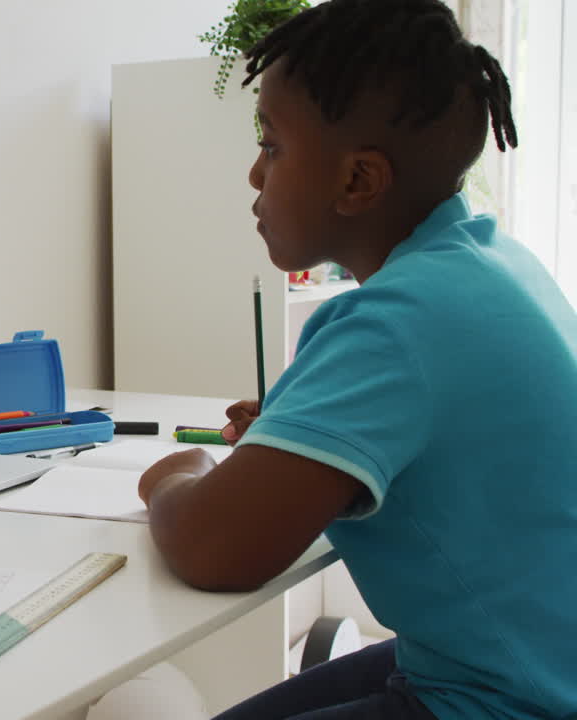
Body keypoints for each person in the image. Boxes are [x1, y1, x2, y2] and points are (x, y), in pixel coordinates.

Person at [136, 1, 576, 718]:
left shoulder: (395, 320)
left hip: (512, 699)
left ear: (357, 183)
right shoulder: (489, 264)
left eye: (271, 147)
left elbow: (214, 549)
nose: (254, 174)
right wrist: (295, 440)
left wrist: (173, 477)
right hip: (521, 658)